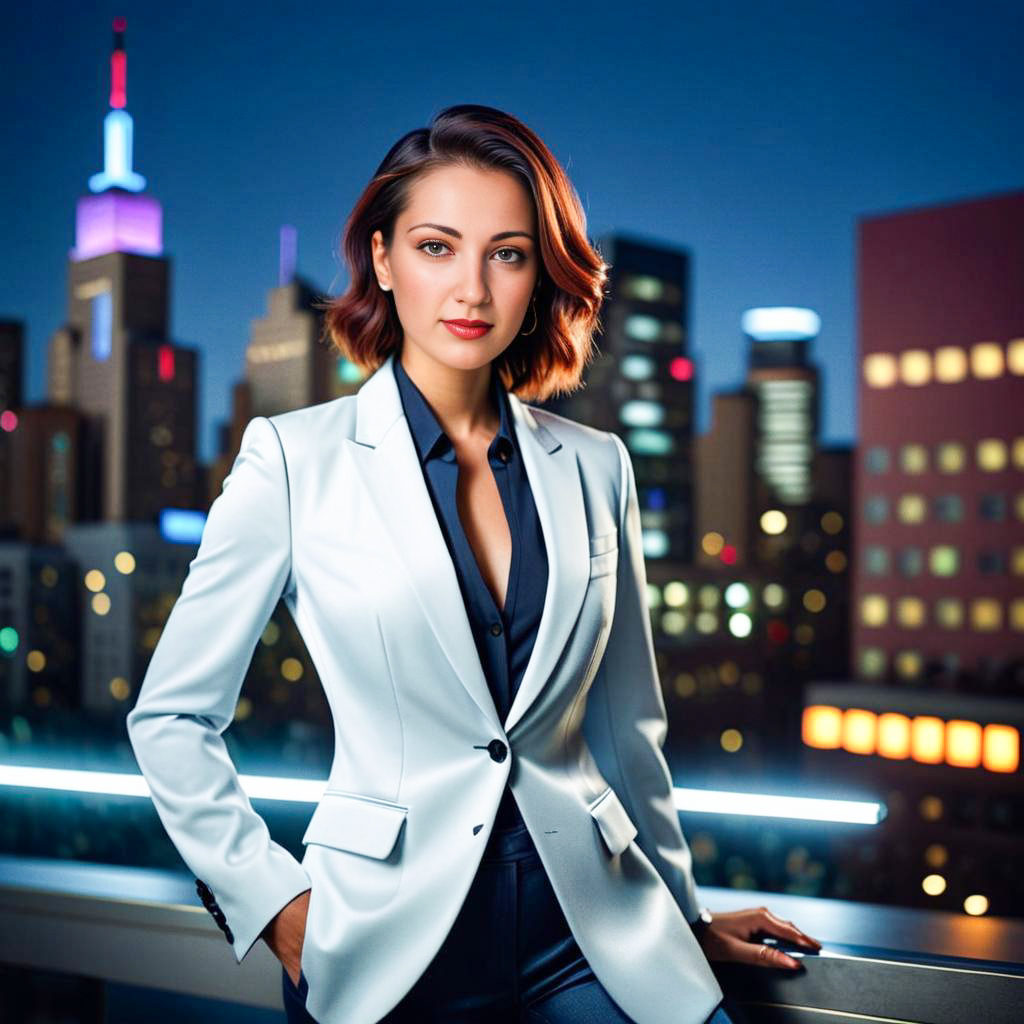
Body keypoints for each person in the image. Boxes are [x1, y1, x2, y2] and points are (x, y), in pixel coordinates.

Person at [127, 103, 821, 1024]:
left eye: (507, 252)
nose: (472, 291)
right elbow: (172, 716)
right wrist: (274, 903)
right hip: (387, 939)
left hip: (593, 933)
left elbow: (626, 731)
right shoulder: (293, 459)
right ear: (382, 259)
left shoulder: (598, 465)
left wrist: (681, 913)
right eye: (436, 246)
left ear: (539, 275)